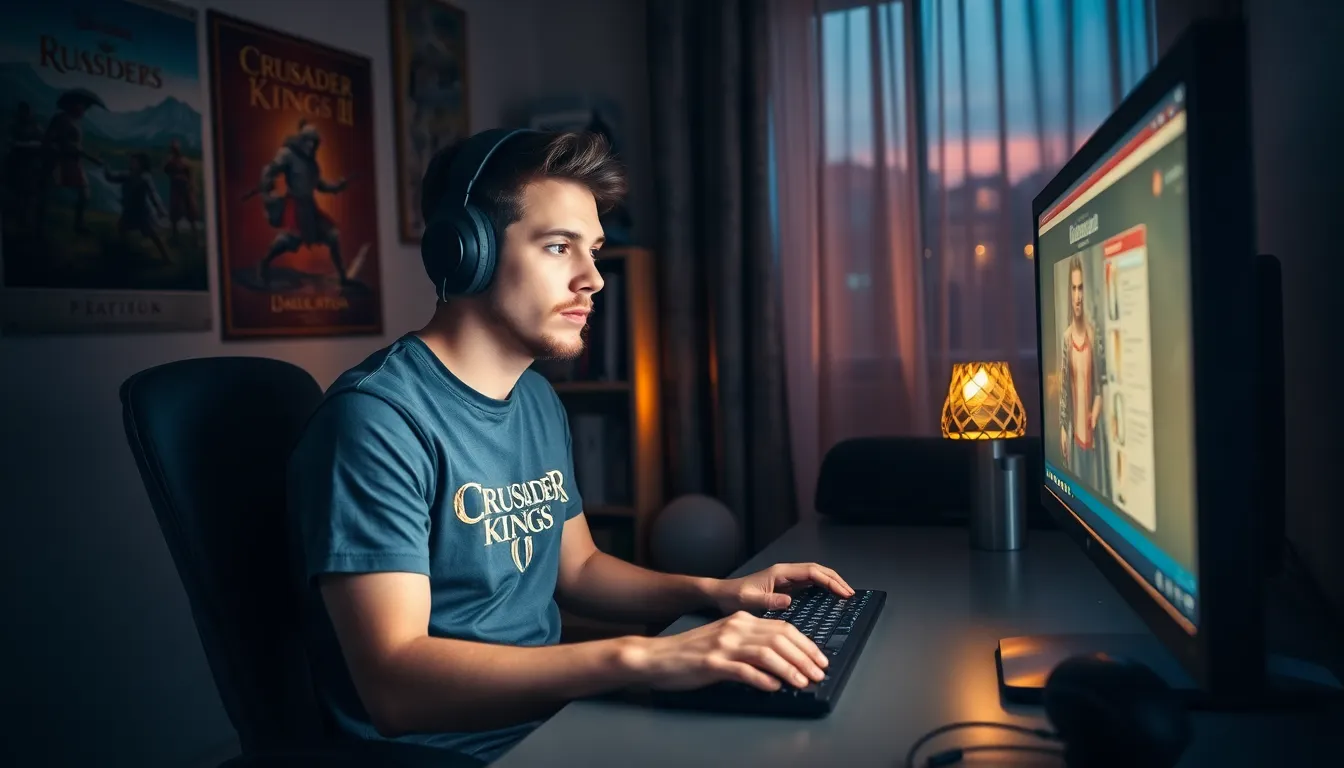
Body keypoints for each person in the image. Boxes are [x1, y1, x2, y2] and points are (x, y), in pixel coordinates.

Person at [287, 129, 852, 764]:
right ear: (464, 251)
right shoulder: (378, 421)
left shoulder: (535, 400)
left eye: (594, 251)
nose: (593, 280)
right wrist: (640, 658)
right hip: (448, 753)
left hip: (553, 722)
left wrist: (715, 591)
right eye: (559, 247)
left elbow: (578, 569)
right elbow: (396, 686)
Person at [256, 119, 350, 287]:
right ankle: (264, 263)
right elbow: (269, 171)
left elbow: (319, 184)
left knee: (332, 235)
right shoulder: (287, 154)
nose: (311, 145)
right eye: (308, 141)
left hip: (310, 207)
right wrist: (268, 190)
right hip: (296, 205)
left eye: (314, 142)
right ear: (302, 140)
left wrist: (337, 186)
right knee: (289, 240)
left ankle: (343, 277)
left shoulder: (312, 163)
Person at [1059, 253, 1107, 495]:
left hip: (1094, 437)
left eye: (1081, 289)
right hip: (1075, 441)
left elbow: (1101, 386)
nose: (1077, 297)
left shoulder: (1094, 334)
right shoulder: (1067, 338)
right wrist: (1062, 428)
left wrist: (1095, 413)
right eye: (1073, 289)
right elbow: (1065, 390)